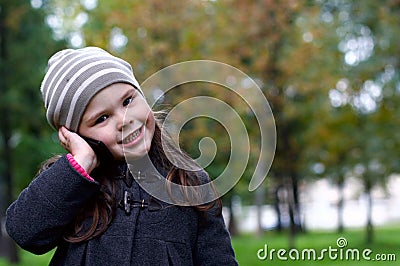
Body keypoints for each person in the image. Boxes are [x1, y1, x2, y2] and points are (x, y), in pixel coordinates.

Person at [6, 47, 238, 265]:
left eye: (128, 101)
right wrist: (81, 164)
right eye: (102, 118)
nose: (125, 120)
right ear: (75, 135)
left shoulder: (190, 183)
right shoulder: (67, 184)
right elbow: (25, 232)